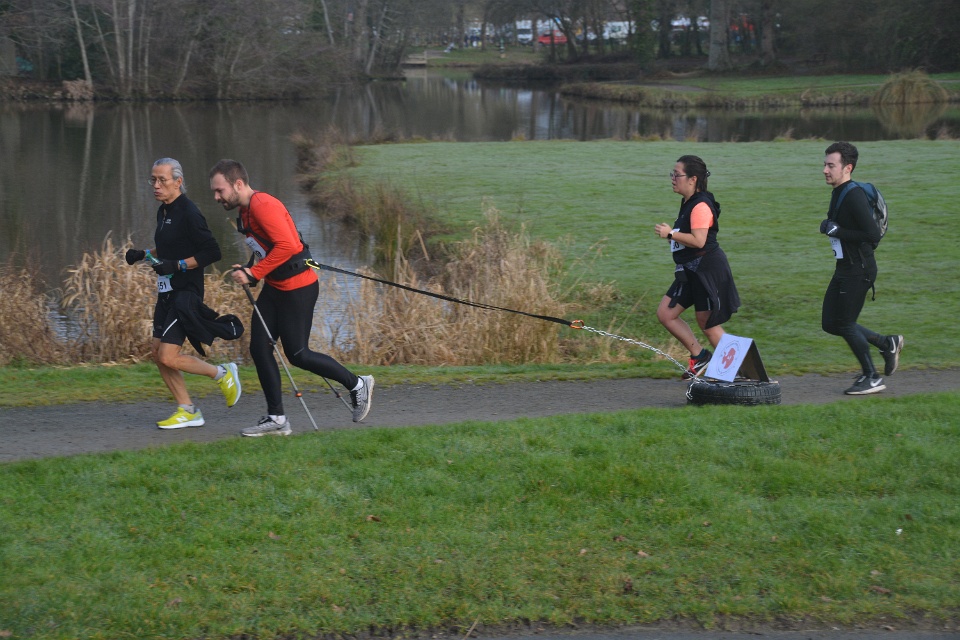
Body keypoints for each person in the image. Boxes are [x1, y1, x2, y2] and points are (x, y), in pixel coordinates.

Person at [208, 159, 373, 436]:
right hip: (275, 287)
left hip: (298, 288)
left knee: (298, 354)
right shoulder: (245, 211)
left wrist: (253, 273)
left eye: (219, 190)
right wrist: (251, 270)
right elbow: (265, 247)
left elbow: (287, 245)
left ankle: (358, 384)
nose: (216, 197)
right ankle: (277, 419)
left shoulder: (263, 205)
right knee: (259, 348)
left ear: (238, 184)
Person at [125, 158, 243, 429]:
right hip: (166, 292)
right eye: (153, 180)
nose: (156, 185)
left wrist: (177, 265)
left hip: (185, 294)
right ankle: (187, 410)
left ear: (178, 181)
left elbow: (212, 252)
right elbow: (169, 246)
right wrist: (143, 254)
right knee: (158, 353)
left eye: (162, 180)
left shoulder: (189, 212)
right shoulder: (164, 211)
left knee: (168, 355)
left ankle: (222, 373)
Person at [819, 141, 904, 395]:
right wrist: (830, 226)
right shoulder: (838, 192)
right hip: (845, 267)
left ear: (848, 168)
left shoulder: (853, 195)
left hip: (859, 269)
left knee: (845, 324)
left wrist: (837, 230)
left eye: (831, 165)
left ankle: (872, 377)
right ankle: (886, 343)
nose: (825, 170)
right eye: (824, 165)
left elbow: (872, 234)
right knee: (830, 323)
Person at [654, 155, 741, 379]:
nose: (673, 178)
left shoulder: (701, 205)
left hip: (706, 270)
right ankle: (700, 356)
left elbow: (699, 241)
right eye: (673, 174)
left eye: (677, 174)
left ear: (693, 179)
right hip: (689, 272)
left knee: (708, 324)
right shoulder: (688, 202)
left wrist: (670, 234)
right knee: (666, 314)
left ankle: (744, 372)